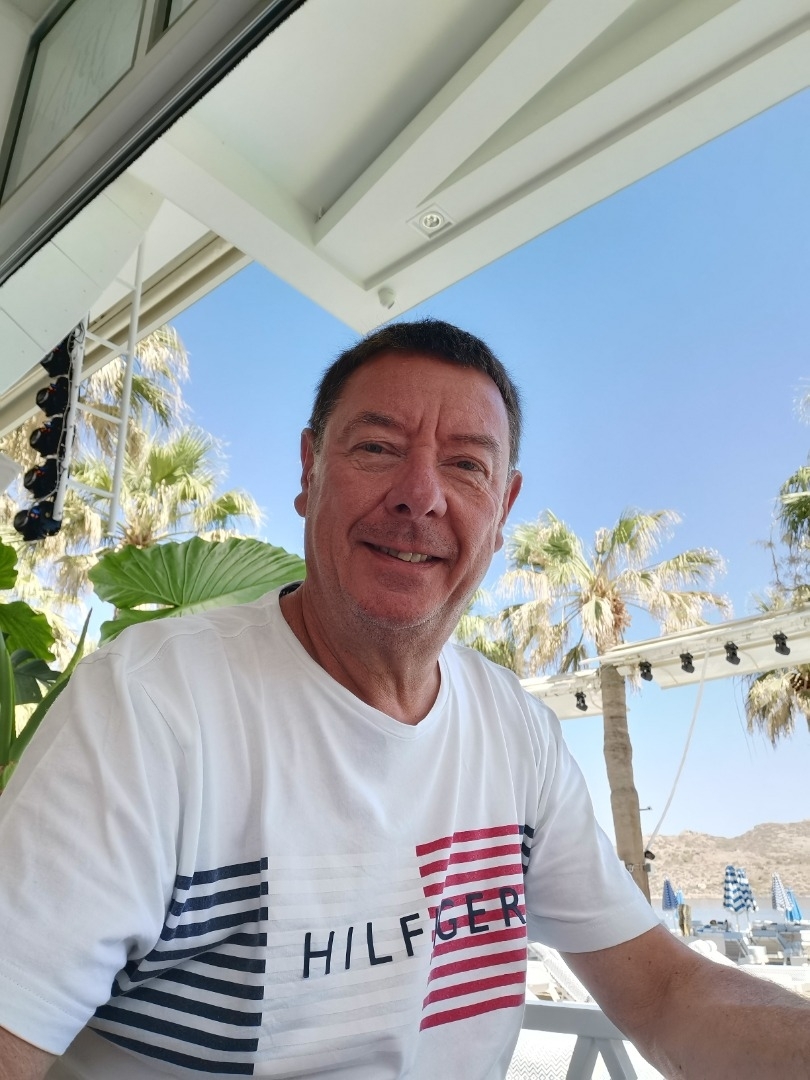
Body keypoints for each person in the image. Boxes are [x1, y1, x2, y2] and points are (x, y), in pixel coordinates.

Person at [0, 319, 808, 1080]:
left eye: (466, 466)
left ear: (503, 510)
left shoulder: (514, 731)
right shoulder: (150, 708)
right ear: (309, 473)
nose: (420, 494)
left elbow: (665, 993)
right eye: (378, 448)